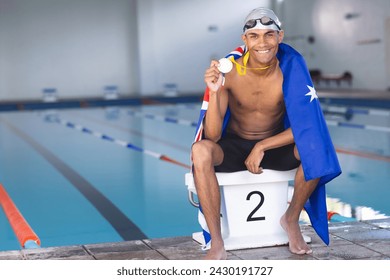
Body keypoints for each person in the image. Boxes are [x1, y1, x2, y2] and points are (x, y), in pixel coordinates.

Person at [191, 7, 341, 260]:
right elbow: (213, 136)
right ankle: (217, 242)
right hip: (234, 147)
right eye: (255, 36)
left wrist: (262, 147)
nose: (263, 43)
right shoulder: (231, 73)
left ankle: (291, 219)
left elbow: (308, 126)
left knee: (317, 146)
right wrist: (215, 91)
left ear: (280, 37)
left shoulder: (291, 71)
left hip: (273, 147)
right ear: (245, 40)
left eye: (269, 35)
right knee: (200, 151)